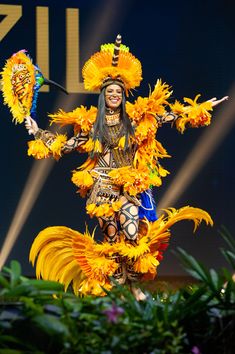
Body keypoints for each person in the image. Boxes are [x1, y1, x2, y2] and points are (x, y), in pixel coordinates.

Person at [1, 36, 228, 300]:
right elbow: (66, 145)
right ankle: (120, 290)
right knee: (111, 241)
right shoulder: (92, 126)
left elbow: (167, 116)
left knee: (131, 235)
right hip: (101, 190)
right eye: (109, 92)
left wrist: (200, 108)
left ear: (123, 95)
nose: (114, 95)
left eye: (118, 92)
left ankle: (132, 285)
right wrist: (38, 132)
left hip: (128, 186)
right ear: (103, 96)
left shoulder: (135, 119)